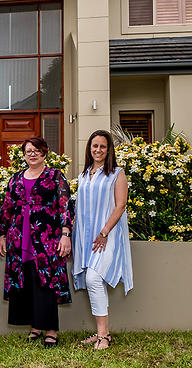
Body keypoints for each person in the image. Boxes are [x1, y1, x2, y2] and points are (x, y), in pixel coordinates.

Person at [0, 137, 74, 348]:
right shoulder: (15, 179)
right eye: (28, 151)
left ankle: (51, 330)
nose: (32, 154)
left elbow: (65, 206)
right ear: (23, 154)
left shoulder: (55, 176)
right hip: (19, 239)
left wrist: (66, 234)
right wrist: (2, 235)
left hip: (46, 239)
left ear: (44, 153)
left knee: (46, 283)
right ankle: (35, 327)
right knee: (27, 282)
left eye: (36, 150)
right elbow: (7, 208)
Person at [72, 130, 132, 350]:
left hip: (107, 236)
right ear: (89, 148)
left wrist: (105, 232)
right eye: (94, 146)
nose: (98, 150)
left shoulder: (117, 173)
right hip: (86, 237)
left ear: (109, 150)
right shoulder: (84, 174)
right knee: (92, 281)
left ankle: (104, 336)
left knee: (94, 279)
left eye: (102, 147)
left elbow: (120, 205)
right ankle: (101, 333)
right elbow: (81, 207)